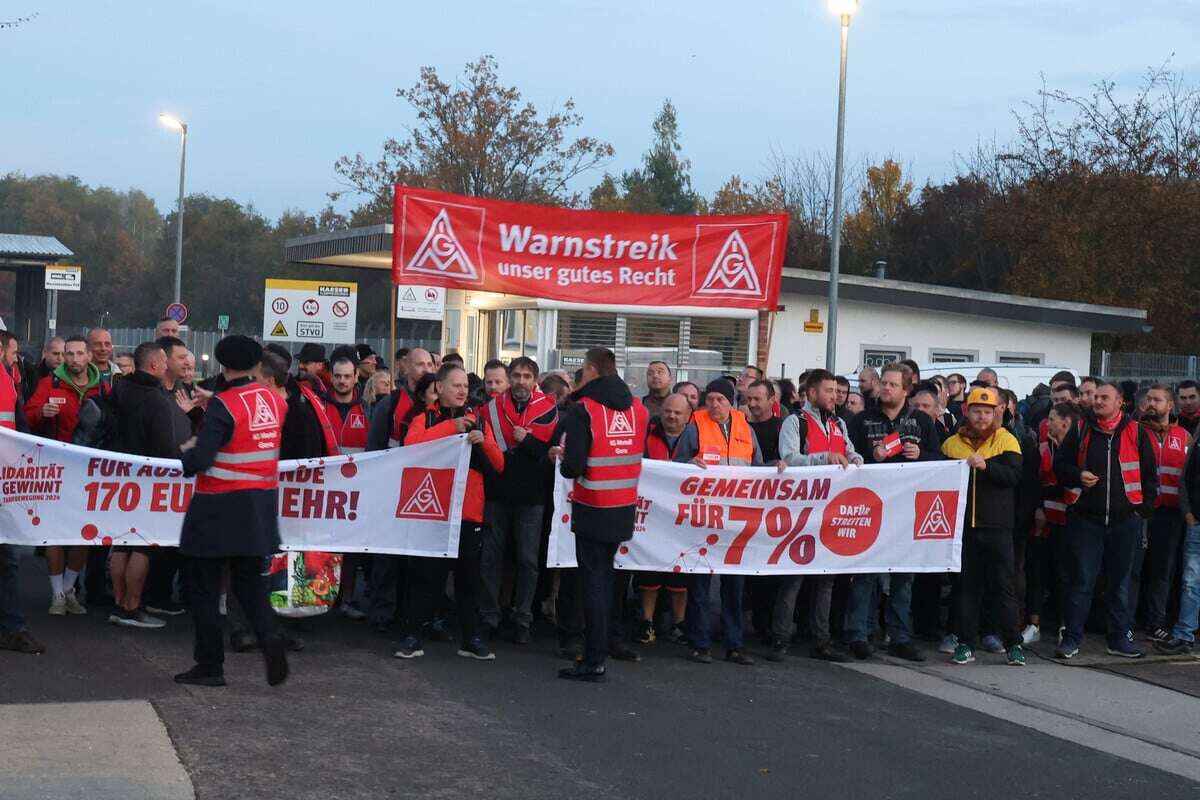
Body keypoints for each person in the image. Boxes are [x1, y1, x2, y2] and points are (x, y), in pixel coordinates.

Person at [174, 335, 289, 688]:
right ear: (257, 365)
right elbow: (247, 418)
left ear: (223, 365)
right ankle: (271, 639)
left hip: (217, 507)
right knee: (250, 585)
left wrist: (187, 450)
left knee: (203, 588)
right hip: (260, 505)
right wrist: (217, 399)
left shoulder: (224, 406)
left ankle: (210, 665)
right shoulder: (274, 398)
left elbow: (201, 459)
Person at [398, 363, 502, 662]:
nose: (462, 391)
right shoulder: (424, 418)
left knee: (468, 582)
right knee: (424, 579)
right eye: (455, 385)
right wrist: (450, 428)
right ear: (439, 388)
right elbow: (411, 447)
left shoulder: (479, 420)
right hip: (433, 511)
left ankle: (471, 639)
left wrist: (484, 443)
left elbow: (499, 464)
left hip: (469, 514)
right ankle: (412, 636)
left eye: (465, 387)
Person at [557, 347, 648, 682]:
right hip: (623, 507)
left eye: (584, 368)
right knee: (608, 581)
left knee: (593, 583)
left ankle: (594, 659)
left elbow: (574, 465)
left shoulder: (585, 410)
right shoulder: (637, 408)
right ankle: (607, 643)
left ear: (593, 370)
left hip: (593, 506)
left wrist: (563, 458)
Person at [844, 362, 941, 662]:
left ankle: (899, 636)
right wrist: (867, 457)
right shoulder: (862, 420)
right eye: (883, 383)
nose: (885, 388)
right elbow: (849, 459)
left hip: (907, 510)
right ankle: (859, 634)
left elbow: (940, 459)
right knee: (866, 573)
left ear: (906, 390)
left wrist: (920, 455)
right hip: (872, 506)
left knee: (903, 575)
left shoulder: (922, 421)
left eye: (892, 385)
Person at [1054, 380, 1157, 659]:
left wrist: (1142, 510)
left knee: (1119, 584)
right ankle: (1072, 638)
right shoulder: (1080, 428)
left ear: (1119, 402)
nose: (1097, 401)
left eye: (1104, 397)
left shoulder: (1137, 432)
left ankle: (1119, 639)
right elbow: (1059, 467)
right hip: (1087, 520)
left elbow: (1150, 474)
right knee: (1082, 582)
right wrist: (1078, 476)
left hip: (1125, 521)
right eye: (1096, 396)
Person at [673, 379, 773, 667]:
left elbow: (756, 470)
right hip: (705, 517)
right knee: (700, 584)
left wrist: (777, 467)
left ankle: (734, 645)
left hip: (736, 520)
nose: (715, 405)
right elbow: (676, 464)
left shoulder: (746, 428)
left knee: (734, 587)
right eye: (711, 399)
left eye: (721, 399)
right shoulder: (695, 427)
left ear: (731, 402)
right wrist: (687, 464)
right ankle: (699, 643)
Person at [768, 369, 861, 664]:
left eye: (836, 391)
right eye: (828, 391)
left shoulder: (838, 423)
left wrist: (857, 460)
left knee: (826, 579)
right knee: (793, 577)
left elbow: (851, 452)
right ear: (811, 393)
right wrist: (823, 460)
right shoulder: (795, 423)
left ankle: (820, 639)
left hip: (832, 509)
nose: (834, 396)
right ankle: (780, 637)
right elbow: (790, 458)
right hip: (803, 510)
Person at [941, 387, 1026, 666]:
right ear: (967, 411)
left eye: (987, 412)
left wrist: (987, 467)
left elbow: (1013, 477)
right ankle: (966, 643)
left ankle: (1014, 643)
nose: (982, 416)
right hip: (963, 529)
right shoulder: (951, 444)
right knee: (967, 589)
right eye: (977, 411)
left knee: (1004, 587)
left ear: (996, 413)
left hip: (997, 527)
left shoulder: (1007, 441)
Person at [479, 357, 558, 644]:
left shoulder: (550, 410)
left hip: (532, 496)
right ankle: (489, 615)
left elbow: (550, 452)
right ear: (509, 378)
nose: (521, 381)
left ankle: (523, 618)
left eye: (527, 376)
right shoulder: (491, 408)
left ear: (535, 379)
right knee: (490, 557)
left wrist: (526, 441)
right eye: (516, 375)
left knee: (527, 560)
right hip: (497, 493)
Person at [25, 335, 106, 615]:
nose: (73, 359)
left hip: (90, 471)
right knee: (54, 534)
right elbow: (28, 415)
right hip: (56, 469)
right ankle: (57, 594)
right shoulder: (50, 384)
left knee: (84, 534)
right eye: (68, 354)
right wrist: (42, 413)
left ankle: (70, 589)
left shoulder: (103, 387)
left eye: (79, 353)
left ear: (88, 357)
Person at [0, 330, 46, 655]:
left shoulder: (8, 379)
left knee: (7, 557)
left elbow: (18, 427)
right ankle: (12, 627)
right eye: (13, 353)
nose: (16, 358)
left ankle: (12, 627)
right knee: (7, 557)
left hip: (3, 479)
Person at [635, 393, 691, 645]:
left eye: (678, 413)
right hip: (652, 516)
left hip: (684, 517)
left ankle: (679, 623)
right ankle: (646, 622)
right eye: (668, 411)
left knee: (681, 575)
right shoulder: (648, 433)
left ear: (687, 416)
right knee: (649, 572)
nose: (672, 416)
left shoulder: (696, 437)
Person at [1138, 385, 1190, 643]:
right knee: (1133, 568)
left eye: (1157, 400)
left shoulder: (1184, 436)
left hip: (1171, 514)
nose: (1151, 403)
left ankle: (1155, 622)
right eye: (1148, 399)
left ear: (1170, 405)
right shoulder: (1136, 432)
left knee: (1163, 571)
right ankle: (1126, 621)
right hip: (1139, 511)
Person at [1157, 417, 1200, 655]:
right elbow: (1186, 477)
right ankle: (1184, 634)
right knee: (1191, 583)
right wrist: (1189, 513)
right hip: (1197, 522)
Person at [326, 356, 370, 454]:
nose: (342, 381)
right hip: (327, 469)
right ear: (331, 377)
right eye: (337, 376)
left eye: (347, 376)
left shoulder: (367, 410)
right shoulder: (320, 407)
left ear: (356, 377)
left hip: (359, 469)